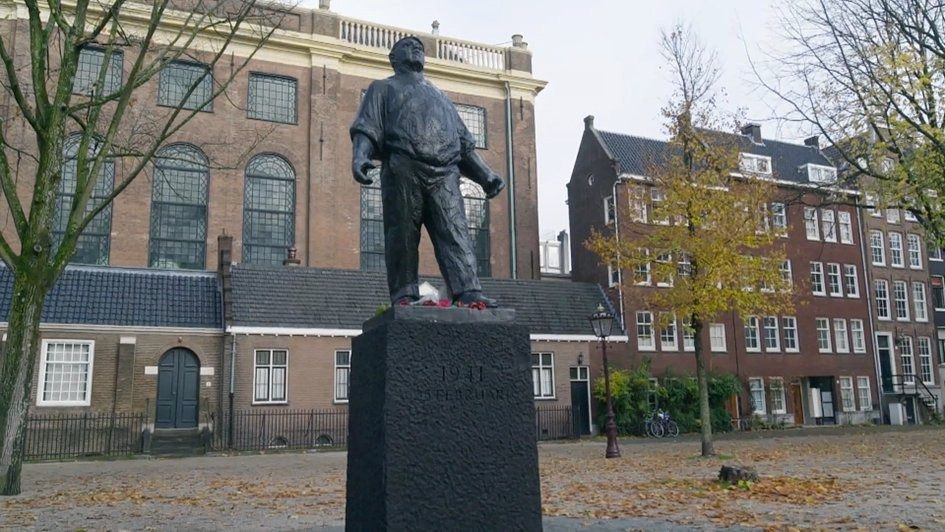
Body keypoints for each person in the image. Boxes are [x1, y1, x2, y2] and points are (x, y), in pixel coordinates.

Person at [350, 36, 505, 307]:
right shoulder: (382, 89)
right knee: (402, 234)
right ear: (393, 59)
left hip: (445, 173)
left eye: (419, 48)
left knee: (455, 231)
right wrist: (361, 155)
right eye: (407, 47)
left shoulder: (441, 97)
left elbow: (464, 143)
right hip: (403, 168)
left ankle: (468, 292)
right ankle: (404, 294)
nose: (416, 49)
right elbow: (367, 126)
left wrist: (485, 175)